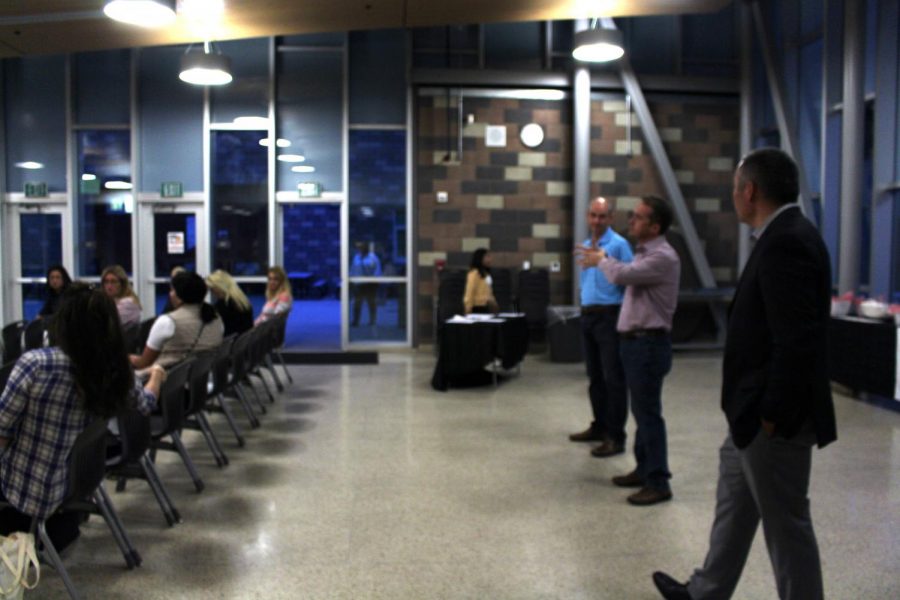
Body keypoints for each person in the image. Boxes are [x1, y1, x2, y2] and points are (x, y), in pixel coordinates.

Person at [652, 149, 836, 600]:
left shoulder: (787, 241)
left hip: (772, 419)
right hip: (749, 416)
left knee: (787, 527)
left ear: (749, 191)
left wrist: (771, 415)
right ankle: (705, 592)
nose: (733, 196)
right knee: (734, 504)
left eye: (735, 188)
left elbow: (795, 341)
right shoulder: (782, 235)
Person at [0, 284, 163, 552]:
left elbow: (2, 431)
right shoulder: (116, 370)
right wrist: (156, 376)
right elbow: (145, 404)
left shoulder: (37, 364)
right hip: (78, 480)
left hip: (28, 489)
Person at [577, 195, 681, 506]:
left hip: (648, 343)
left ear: (655, 225)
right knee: (641, 411)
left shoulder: (663, 256)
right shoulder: (643, 252)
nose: (631, 220)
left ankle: (659, 481)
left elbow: (623, 276)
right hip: (635, 341)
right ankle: (644, 469)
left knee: (648, 415)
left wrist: (601, 260)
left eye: (638, 217)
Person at [569, 197, 634, 458]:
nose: (597, 221)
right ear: (588, 217)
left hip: (610, 316)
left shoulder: (619, 245)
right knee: (595, 377)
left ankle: (615, 436)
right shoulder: (585, 246)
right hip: (588, 315)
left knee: (614, 379)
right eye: (593, 216)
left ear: (611, 218)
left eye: (602, 216)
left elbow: (630, 278)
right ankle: (600, 426)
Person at [131, 271, 224, 369]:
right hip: (202, 378)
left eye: (172, 290)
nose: (170, 294)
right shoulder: (216, 318)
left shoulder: (167, 321)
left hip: (163, 379)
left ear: (179, 297)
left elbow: (144, 363)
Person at [206, 269, 254, 336]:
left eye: (212, 288)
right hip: (245, 342)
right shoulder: (243, 302)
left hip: (231, 344)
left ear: (220, 286)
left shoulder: (224, 305)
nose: (212, 292)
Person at [350, 242, 382, 326]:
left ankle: (372, 321)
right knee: (357, 303)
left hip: (369, 284)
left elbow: (377, 270)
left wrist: (375, 281)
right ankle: (355, 321)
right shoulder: (356, 257)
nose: (360, 249)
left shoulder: (373, 257)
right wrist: (351, 280)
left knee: (371, 303)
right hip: (359, 284)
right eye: (359, 248)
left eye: (361, 248)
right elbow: (353, 269)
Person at [463, 248, 499, 314]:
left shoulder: (487, 274)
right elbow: (469, 292)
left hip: (487, 307)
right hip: (477, 308)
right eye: (487, 256)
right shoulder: (474, 274)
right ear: (480, 258)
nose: (490, 259)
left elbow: (489, 291)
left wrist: (494, 304)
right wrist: (468, 309)